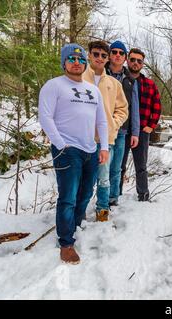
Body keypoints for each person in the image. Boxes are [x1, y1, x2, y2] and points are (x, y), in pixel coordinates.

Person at [38, 43, 109, 264]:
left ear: (84, 63)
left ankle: (76, 225)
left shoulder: (93, 89)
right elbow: (45, 117)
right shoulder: (54, 86)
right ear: (64, 62)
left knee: (86, 193)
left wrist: (104, 147)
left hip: (90, 149)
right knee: (68, 197)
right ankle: (66, 242)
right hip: (67, 150)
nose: (76, 62)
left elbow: (101, 120)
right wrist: (60, 144)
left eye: (80, 59)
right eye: (71, 59)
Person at [83, 40, 128, 222]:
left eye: (103, 55)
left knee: (104, 178)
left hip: (105, 140)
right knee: (84, 179)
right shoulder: (80, 78)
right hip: (82, 139)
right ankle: (79, 211)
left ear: (107, 58)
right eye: (96, 54)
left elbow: (123, 109)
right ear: (89, 55)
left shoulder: (113, 83)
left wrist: (113, 124)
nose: (99, 58)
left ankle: (102, 211)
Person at [122, 48, 162, 202]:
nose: (135, 63)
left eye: (139, 61)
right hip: (123, 130)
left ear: (142, 64)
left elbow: (157, 107)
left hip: (142, 130)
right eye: (132, 59)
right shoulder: (120, 80)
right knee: (119, 166)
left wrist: (150, 126)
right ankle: (116, 196)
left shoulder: (149, 84)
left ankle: (143, 196)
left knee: (141, 166)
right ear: (127, 60)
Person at [105, 40, 140, 205]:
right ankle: (99, 199)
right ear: (109, 55)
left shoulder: (130, 80)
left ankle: (112, 199)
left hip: (122, 130)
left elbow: (134, 108)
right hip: (101, 130)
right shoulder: (100, 74)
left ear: (125, 57)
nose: (117, 55)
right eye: (114, 52)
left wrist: (135, 133)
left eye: (121, 53)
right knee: (100, 167)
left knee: (116, 167)